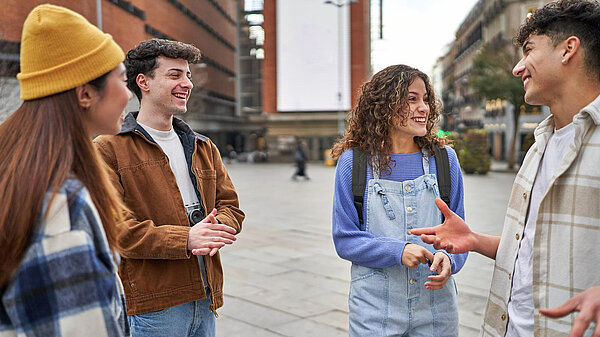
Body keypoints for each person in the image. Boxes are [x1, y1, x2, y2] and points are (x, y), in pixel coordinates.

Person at [411, 1, 600, 336]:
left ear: (568, 49)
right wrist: (473, 239)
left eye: (529, 51)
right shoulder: (540, 145)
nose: (517, 68)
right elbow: (532, 249)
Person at [93, 38, 245, 337]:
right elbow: (116, 230)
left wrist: (214, 230)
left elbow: (231, 207)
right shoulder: (108, 148)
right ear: (143, 82)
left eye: (188, 75)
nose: (186, 83)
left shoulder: (203, 146)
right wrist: (187, 238)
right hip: (154, 307)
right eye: (175, 74)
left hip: (206, 298)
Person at [0, 4, 131, 336]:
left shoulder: (19, 169)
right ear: (85, 93)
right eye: (123, 78)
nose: (129, 95)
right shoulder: (61, 206)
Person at [331, 64, 468, 336]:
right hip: (373, 310)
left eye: (426, 99)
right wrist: (397, 251)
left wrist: (449, 258)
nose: (423, 108)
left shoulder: (445, 160)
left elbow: (460, 235)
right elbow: (345, 239)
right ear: (384, 106)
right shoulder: (354, 163)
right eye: (411, 99)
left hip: (437, 310)